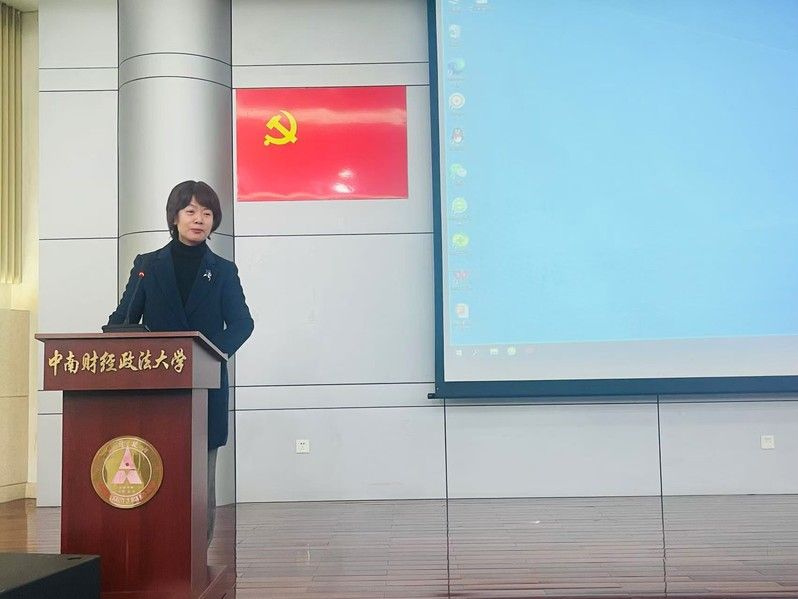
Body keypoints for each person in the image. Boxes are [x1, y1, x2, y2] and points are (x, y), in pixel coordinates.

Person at [107, 180, 254, 542]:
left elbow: (242, 324)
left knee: (201, 479)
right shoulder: (147, 266)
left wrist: (207, 355)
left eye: (207, 213)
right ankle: (156, 551)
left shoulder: (223, 270)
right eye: (190, 211)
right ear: (174, 217)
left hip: (206, 388)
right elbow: (121, 321)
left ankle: (197, 559)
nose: (199, 219)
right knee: (155, 471)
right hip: (155, 390)